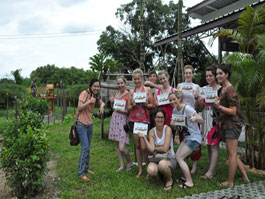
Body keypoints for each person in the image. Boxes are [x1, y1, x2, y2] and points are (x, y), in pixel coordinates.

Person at [214, 64, 250, 187]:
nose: (218, 75)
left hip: (232, 125)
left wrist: (220, 107)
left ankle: (230, 182)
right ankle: (245, 177)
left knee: (232, 155)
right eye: (217, 73)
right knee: (232, 152)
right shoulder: (223, 89)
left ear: (227, 74)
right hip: (226, 124)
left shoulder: (229, 89)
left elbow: (233, 111)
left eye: (220, 73)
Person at [169, 91, 204, 189]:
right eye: (170, 100)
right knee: (178, 156)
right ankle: (185, 176)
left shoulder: (188, 108)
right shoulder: (175, 111)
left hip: (194, 138)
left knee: (179, 157)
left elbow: (201, 120)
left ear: (179, 98)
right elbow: (176, 128)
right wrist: (173, 124)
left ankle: (189, 182)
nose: (172, 102)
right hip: (187, 137)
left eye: (174, 99)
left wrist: (194, 118)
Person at [138, 108, 176, 191]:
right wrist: (144, 138)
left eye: (162, 117)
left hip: (169, 158)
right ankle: (158, 175)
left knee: (162, 165)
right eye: (158, 117)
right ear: (154, 119)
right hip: (156, 158)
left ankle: (169, 179)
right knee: (151, 170)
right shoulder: (152, 131)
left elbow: (165, 149)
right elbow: (150, 150)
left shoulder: (168, 129)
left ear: (164, 119)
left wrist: (154, 148)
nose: (160, 119)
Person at [76, 78, 105, 182]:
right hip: (81, 124)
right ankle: (81, 173)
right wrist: (89, 102)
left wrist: (101, 106)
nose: (96, 88)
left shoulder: (95, 95)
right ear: (91, 86)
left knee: (88, 148)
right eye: (95, 86)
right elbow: (79, 107)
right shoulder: (84, 93)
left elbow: (101, 102)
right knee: (85, 148)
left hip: (89, 124)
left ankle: (86, 168)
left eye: (98, 86)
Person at [127, 68, 154, 178]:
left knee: (144, 146)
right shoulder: (131, 92)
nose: (137, 81)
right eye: (135, 79)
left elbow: (153, 105)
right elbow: (128, 108)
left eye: (139, 79)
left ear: (142, 79)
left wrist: (146, 104)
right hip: (134, 121)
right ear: (133, 79)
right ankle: (140, 169)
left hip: (144, 121)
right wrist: (132, 105)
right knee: (137, 145)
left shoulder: (147, 90)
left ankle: (148, 166)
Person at [177, 65, 201, 174]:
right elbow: (177, 101)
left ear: (192, 74)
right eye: (186, 73)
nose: (187, 75)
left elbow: (198, 105)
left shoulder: (196, 87)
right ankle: (184, 161)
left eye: (189, 73)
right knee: (184, 138)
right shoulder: (180, 86)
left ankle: (194, 165)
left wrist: (196, 97)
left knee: (195, 140)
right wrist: (180, 96)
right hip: (183, 115)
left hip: (193, 115)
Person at [198, 65, 221, 179]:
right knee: (208, 144)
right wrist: (199, 100)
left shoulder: (220, 89)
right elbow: (200, 106)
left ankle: (211, 172)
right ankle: (213, 169)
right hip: (205, 116)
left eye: (210, 75)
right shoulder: (203, 89)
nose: (208, 78)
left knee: (214, 145)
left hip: (214, 118)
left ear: (215, 76)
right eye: (207, 76)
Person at [108, 76, 133, 172]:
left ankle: (129, 162)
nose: (120, 85)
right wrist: (112, 102)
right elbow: (114, 107)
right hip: (115, 119)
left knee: (122, 147)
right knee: (117, 145)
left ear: (125, 83)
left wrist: (120, 110)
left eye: (121, 83)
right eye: (118, 83)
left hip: (123, 120)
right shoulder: (117, 93)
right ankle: (122, 165)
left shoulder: (128, 95)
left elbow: (128, 111)